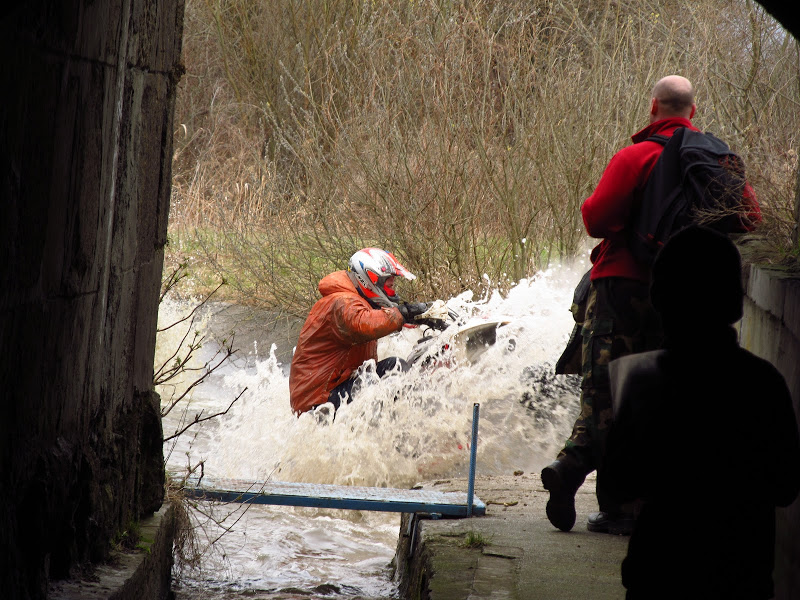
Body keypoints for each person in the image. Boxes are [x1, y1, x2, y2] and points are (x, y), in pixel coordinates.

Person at [541, 75, 760, 534]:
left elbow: (598, 219)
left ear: (653, 108)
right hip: (683, 296)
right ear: (693, 112)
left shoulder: (635, 156)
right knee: (659, 397)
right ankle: (630, 508)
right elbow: (752, 218)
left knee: (605, 393)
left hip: (621, 286)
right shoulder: (718, 161)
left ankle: (574, 471)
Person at [600, 226, 800, 599]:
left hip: (659, 574)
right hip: (742, 578)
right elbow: (786, 487)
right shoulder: (764, 382)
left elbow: (615, 484)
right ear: (734, 302)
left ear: (661, 298)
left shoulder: (644, 380)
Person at [289, 248, 429, 417]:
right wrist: (405, 312)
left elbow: (378, 318)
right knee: (394, 369)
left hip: (336, 388)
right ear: (368, 279)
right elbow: (364, 323)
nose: (392, 284)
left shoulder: (357, 300)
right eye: (388, 280)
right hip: (319, 402)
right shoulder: (341, 301)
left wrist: (422, 315)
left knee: (393, 369)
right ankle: (412, 427)